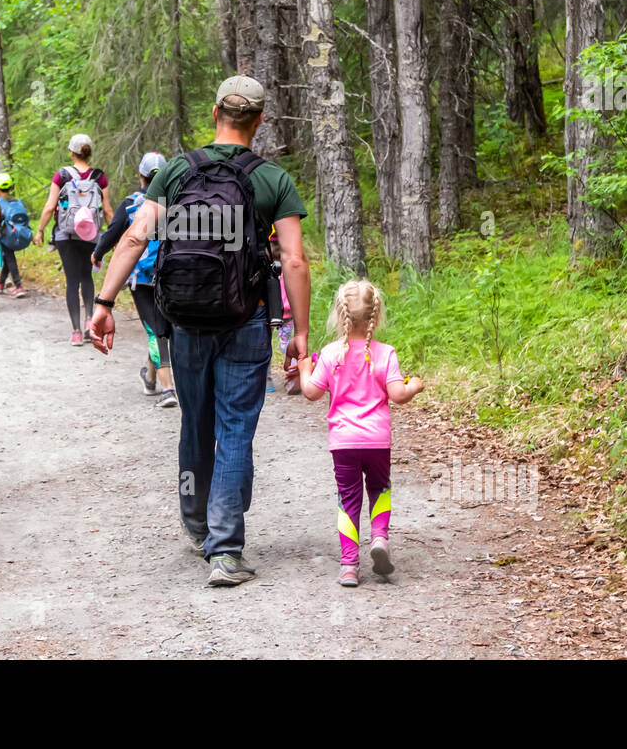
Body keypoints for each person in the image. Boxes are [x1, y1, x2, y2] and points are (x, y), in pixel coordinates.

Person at [89, 75, 311, 587]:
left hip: (184, 323)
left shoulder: (175, 171)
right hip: (247, 320)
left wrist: (104, 302)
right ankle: (225, 547)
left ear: (215, 114)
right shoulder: (272, 180)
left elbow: (135, 238)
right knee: (235, 429)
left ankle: (197, 519)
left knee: (195, 422)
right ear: (260, 121)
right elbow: (294, 261)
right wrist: (299, 332)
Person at [295, 280, 425, 587]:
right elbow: (397, 394)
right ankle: (379, 538)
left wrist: (303, 370)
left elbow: (312, 392)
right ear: (376, 318)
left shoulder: (329, 354)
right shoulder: (385, 353)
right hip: (378, 441)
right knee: (379, 488)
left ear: (340, 317)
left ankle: (349, 566)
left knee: (348, 499)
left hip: (344, 443)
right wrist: (414, 386)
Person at [92, 151, 176, 409]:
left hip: (141, 278)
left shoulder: (131, 203)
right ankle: (150, 378)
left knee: (154, 329)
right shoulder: (175, 202)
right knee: (161, 326)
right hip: (171, 274)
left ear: (140, 175)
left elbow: (114, 232)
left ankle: (168, 388)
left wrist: (97, 254)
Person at [33, 133, 113, 346]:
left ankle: (76, 332)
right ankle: (89, 322)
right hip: (91, 234)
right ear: (89, 152)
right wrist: (115, 235)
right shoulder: (99, 176)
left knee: (72, 280)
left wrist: (40, 230)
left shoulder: (62, 175)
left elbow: (51, 206)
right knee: (87, 276)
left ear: (71, 152)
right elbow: (106, 210)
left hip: (65, 234)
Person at [0, 172, 28, 298]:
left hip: (5, 234)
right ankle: (1, 284)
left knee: (9, 258)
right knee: (6, 257)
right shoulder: (17, 201)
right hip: (19, 233)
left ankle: (18, 286)